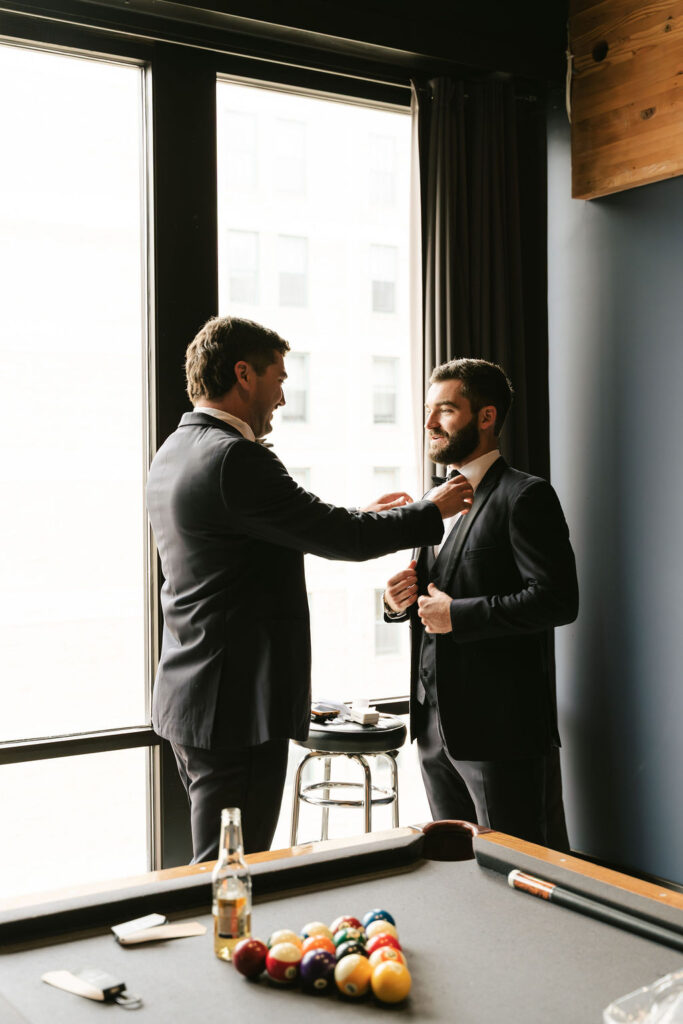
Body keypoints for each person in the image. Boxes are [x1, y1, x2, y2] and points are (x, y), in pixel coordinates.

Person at [146, 315, 473, 860]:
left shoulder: (176, 451)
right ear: (243, 374)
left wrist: (364, 516)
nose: (282, 395)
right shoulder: (234, 457)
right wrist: (428, 511)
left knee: (219, 860)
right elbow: (339, 536)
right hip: (237, 707)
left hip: (195, 694)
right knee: (236, 866)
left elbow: (270, 535)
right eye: (278, 377)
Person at [383, 358, 578, 849]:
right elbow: (433, 594)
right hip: (433, 732)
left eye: (446, 410)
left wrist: (457, 616)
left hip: (501, 734)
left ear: (486, 417)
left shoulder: (525, 496)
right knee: (455, 868)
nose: (430, 424)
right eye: (428, 411)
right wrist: (396, 601)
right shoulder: (434, 500)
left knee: (518, 868)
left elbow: (557, 600)